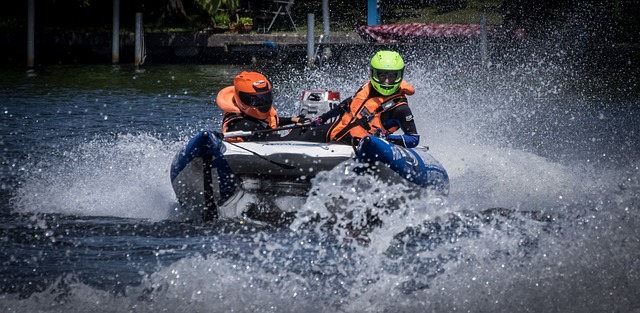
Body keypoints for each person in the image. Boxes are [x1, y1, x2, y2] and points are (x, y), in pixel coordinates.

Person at [293, 50, 420, 148]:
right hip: (335, 130)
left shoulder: (400, 108)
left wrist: (388, 137)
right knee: (294, 143)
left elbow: (413, 138)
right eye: (382, 76)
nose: (386, 81)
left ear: (399, 76)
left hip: (357, 146)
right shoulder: (366, 86)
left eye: (391, 77)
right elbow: (346, 104)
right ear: (373, 74)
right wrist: (323, 118)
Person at [216, 71, 305, 142]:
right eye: (256, 100)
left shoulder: (248, 115)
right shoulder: (244, 126)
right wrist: (299, 126)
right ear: (242, 99)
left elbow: (267, 122)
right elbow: (285, 142)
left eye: (265, 97)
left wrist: (293, 120)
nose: (263, 103)